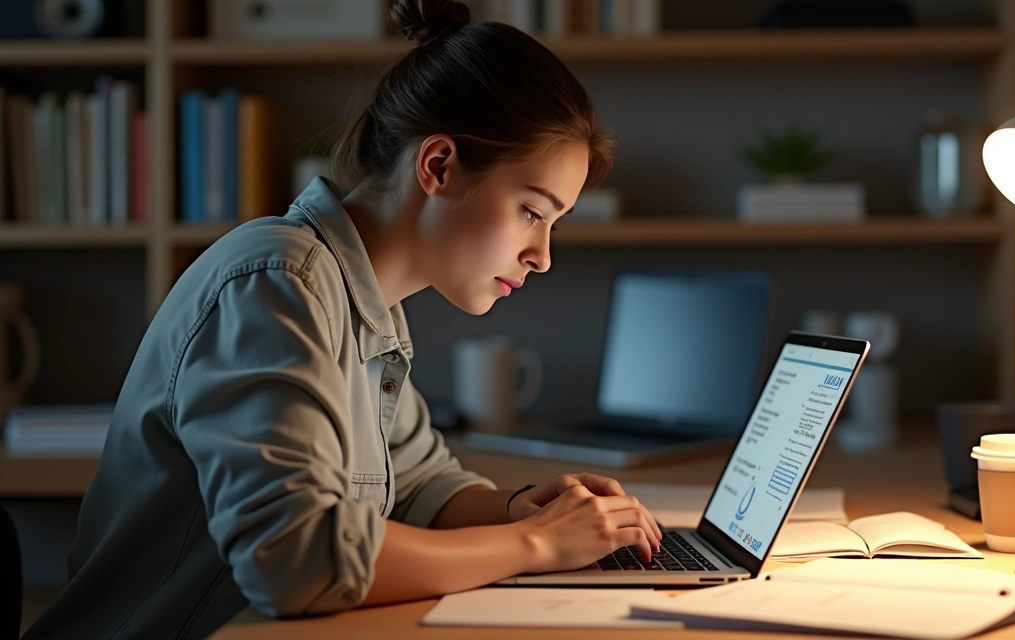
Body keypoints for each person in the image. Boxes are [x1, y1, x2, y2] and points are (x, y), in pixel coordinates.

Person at [23, 1, 662, 637]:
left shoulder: (367, 302)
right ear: (437, 165)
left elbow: (418, 486)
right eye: (531, 211)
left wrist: (524, 510)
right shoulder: (278, 284)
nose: (542, 255)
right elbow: (296, 558)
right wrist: (539, 545)